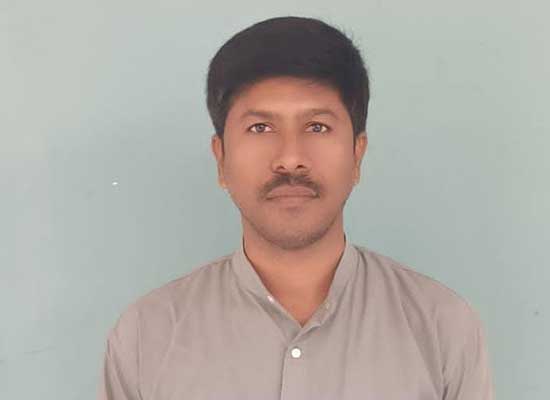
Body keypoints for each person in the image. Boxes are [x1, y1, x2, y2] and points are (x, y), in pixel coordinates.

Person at [97, 16, 495, 400]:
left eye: (317, 126)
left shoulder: (442, 327)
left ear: (357, 155)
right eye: (260, 128)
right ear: (221, 160)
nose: (290, 159)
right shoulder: (146, 336)